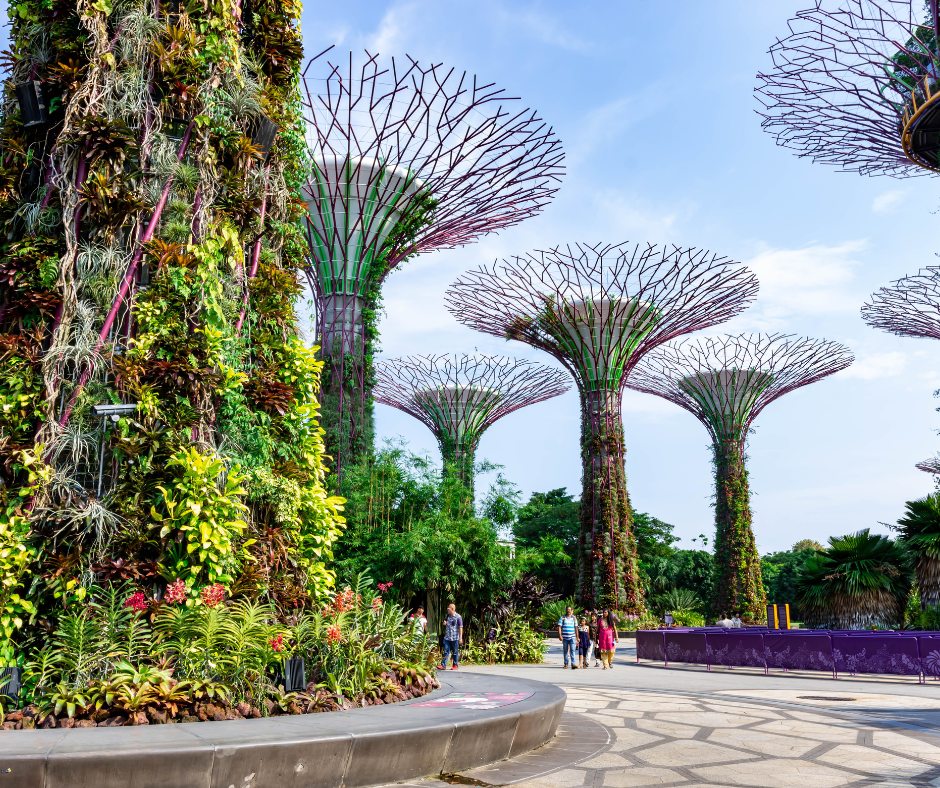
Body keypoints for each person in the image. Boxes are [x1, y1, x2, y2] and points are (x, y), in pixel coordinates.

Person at [438, 603, 463, 670]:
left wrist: (460, 638)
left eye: (448, 609)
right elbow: (445, 622)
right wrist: (444, 623)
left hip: (455, 638)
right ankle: (443, 665)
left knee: (455, 652)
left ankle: (455, 665)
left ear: (452, 609)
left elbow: (461, 627)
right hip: (447, 637)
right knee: (445, 651)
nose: (447, 610)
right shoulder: (447, 616)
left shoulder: (458, 617)